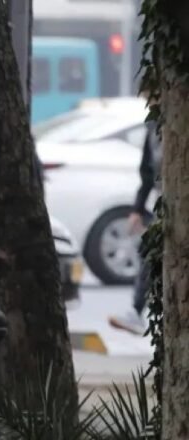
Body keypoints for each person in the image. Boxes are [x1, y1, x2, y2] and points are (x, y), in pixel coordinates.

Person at [109, 119, 161, 335]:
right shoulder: (153, 127)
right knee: (149, 249)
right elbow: (147, 173)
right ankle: (137, 311)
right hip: (166, 201)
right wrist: (137, 210)